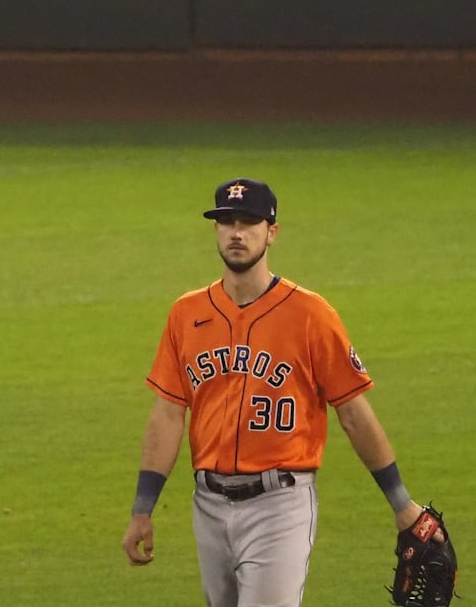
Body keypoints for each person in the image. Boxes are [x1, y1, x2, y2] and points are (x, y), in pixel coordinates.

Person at [122, 177, 444, 606]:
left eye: (250, 222)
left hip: (280, 506)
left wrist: (402, 504)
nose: (237, 232)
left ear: (272, 232)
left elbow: (353, 412)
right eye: (227, 222)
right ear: (215, 230)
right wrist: (143, 508)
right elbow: (167, 413)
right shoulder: (187, 313)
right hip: (208, 504)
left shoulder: (310, 314)